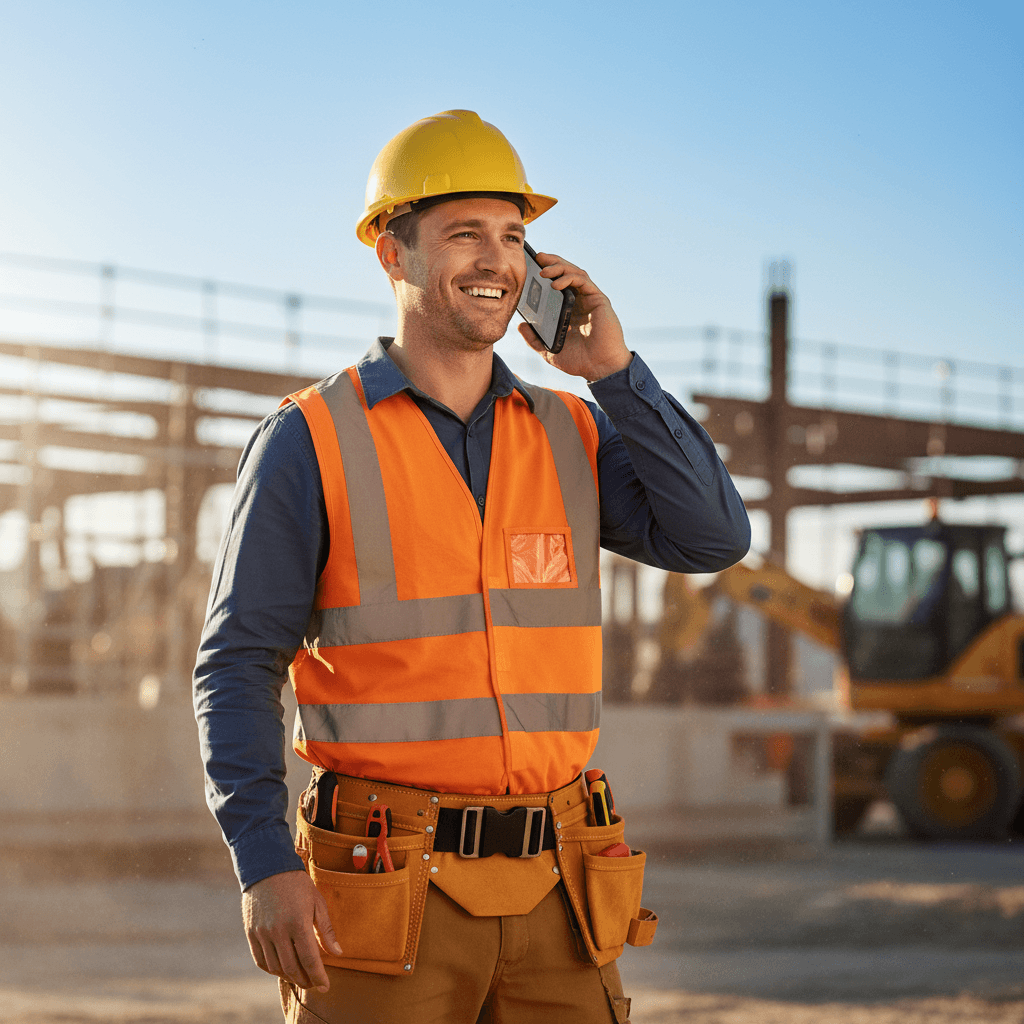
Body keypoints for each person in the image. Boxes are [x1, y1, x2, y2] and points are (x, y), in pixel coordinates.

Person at [193, 109, 750, 1024]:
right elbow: (237, 664)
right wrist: (263, 863)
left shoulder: (575, 432)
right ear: (394, 254)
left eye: (513, 237)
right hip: (382, 880)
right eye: (465, 235)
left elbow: (713, 538)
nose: (497, 260)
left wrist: (614, 370)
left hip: (563, 884)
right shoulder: (309, 439)